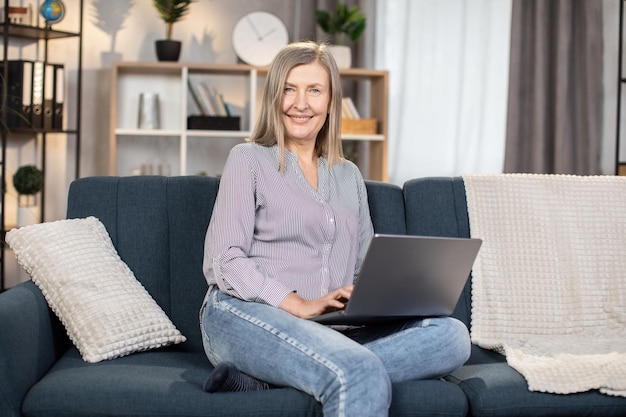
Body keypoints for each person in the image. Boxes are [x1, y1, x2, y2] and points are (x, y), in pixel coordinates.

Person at [200, 40, 470, 417]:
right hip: (245, 314)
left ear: (330, 101)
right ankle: (335, 370)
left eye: (314, 90)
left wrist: (376, 296)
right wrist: (298, 303)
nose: (301, 103)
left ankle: (273, 378)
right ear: (274, 97)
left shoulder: (348, 175)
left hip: (333, 329)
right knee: (357, 370)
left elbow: (360, 267)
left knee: (451, 337)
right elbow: (223, 259)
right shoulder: (247, 160)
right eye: (289, 89)